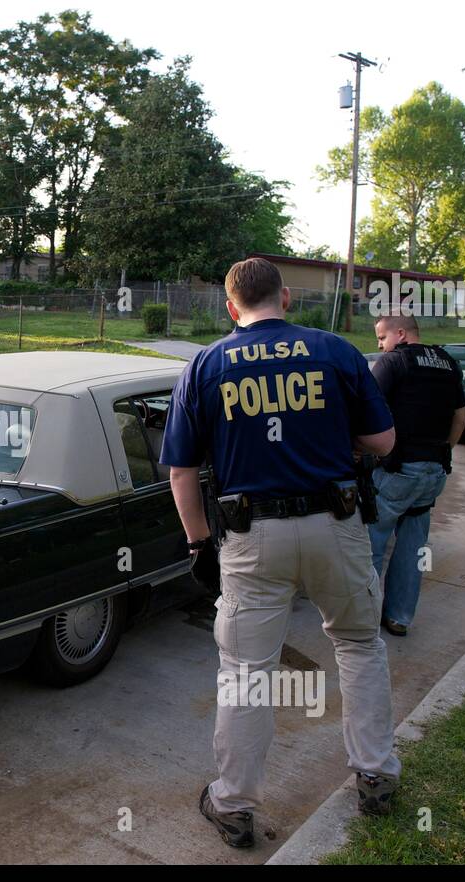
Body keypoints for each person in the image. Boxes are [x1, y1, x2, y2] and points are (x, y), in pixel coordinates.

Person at [161, 257, 402, 847]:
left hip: (253, 536)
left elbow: (181, 471)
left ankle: (235, 804)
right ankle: (375, 774)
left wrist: (197, 544)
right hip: (337, 523)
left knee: (246, 674)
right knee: (359, 644)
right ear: (286, 297)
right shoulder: (337, 352)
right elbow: (384, 442)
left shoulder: (206, 364)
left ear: (230, 307)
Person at [369, 311, 465, 636]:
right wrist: (444, 451)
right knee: (413, 547)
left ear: (400, 333)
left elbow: (368, 412)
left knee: (369, 545)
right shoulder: (447, 362)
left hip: (397, 470)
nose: (380, 346)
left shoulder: (393, 363)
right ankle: (399, 617)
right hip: (433, 471)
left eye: (382, 338)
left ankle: (362, 618)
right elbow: (460, 418)